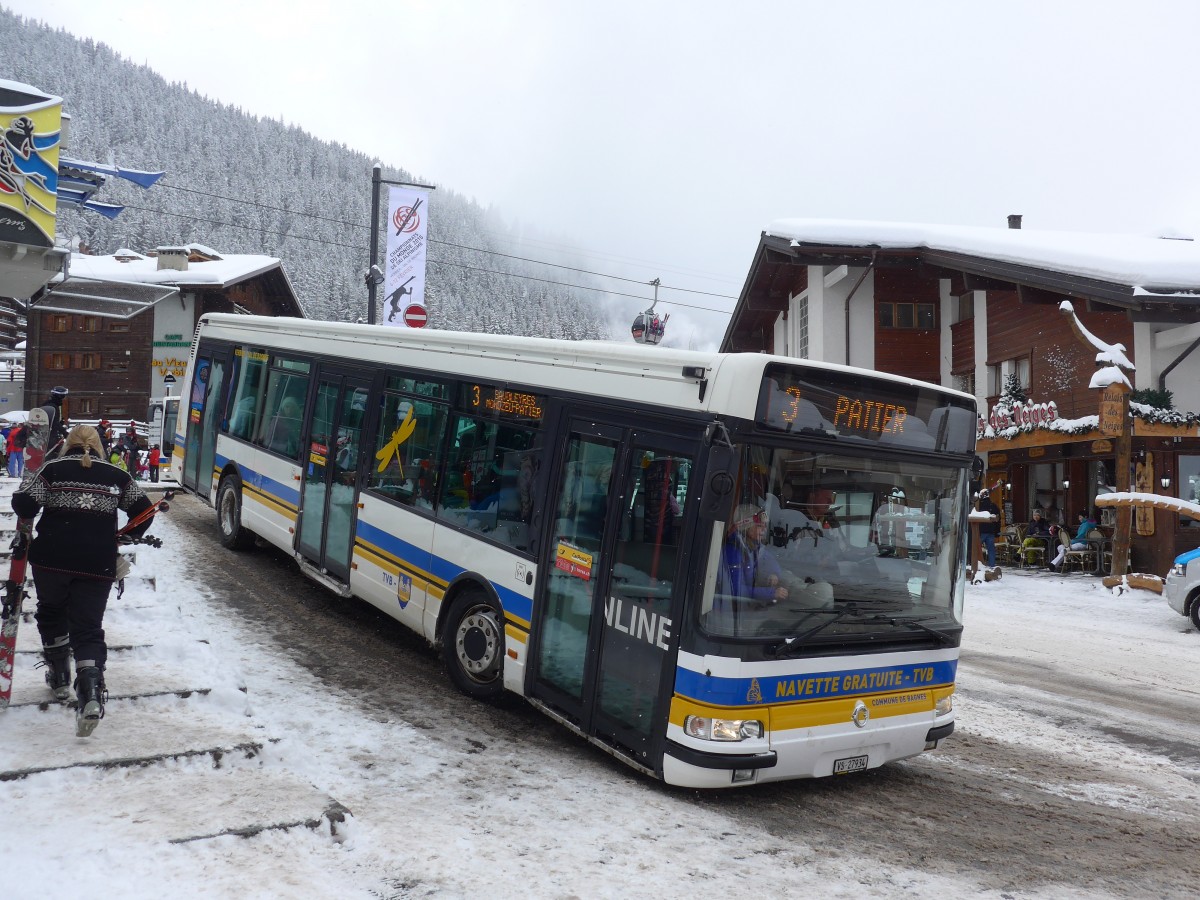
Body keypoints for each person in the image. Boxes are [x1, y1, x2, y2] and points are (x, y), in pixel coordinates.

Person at [12, 425, 153, 736]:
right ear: (98, 446)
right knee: (87, 626)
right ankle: (89, 691)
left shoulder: (54, 469)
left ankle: (59, 676)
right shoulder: (117, 475)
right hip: (96, 563)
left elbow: (25, 506)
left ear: (69, 445)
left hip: (52, 560)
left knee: (51, 612)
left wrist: (22, 490)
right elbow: (145, 510)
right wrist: (122, 537)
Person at [718, 503, 789, 606]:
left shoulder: (752, 545)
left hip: (746, 605)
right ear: (746, 526)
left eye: (765, 527)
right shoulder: (733, 551)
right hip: (734, 611)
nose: (764, 531)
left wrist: (773, 574)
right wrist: (771, 593)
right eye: (760, 526)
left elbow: (768, 559)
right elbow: (735, 590)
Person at [976, 488, 1001, 567]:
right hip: (991, 530)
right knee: (991, 550)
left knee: (976, 549)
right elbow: (998, 519)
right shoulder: (994, 506)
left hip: (980, 530)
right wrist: (997, 531)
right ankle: (992, 566)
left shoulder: (978, 506)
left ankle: (977, 565)